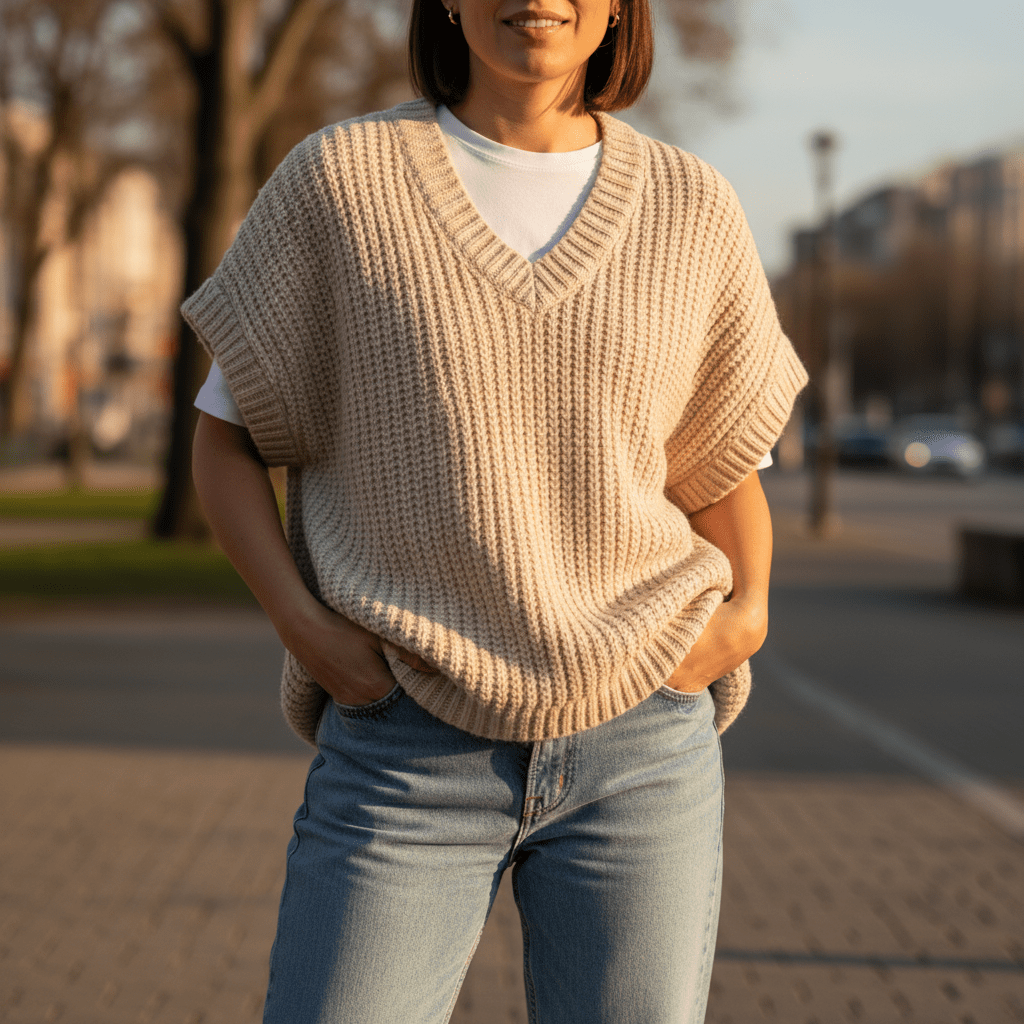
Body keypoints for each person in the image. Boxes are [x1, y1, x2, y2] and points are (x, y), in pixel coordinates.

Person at [186, 0, 807, 1020]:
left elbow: (720, 467)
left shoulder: (690, 206)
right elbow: (224, 440)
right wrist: (308, 631)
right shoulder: (341, 182)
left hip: (642, 747)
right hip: (404, 743)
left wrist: (747, 617)